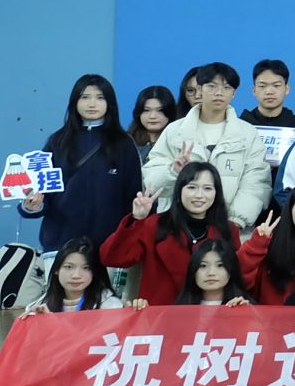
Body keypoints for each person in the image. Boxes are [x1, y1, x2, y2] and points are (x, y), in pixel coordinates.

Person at [140, 61, 272, 232]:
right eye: (212, 86)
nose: (219, 93)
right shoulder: (175, 131)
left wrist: (234, 223)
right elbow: (151, 182)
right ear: (200, 90)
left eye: (226, 87)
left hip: (229, 230)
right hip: (177, 229)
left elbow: (256, 184)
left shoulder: (248, 134)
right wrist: (172, 171)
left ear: (234, 93)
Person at [18, 74, 142, 255]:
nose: (92, 104)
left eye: (100, 98)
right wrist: (32, 206)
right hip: (61, 245)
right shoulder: (57, 141)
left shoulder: (123, 143)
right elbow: (42, 192)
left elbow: (133, 195)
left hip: (109, 247)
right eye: (85, 97)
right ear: (74, 102)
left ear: (110, 103)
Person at [100, 163, 240, 306]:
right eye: (192, 187)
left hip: (211, 313)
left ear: (216, 193)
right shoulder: (155, 225)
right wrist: (137, 219)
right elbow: (112, 257)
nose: (199, 195)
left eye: (207, 188)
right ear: (179, 190)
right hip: (160, 312)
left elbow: (237, 278)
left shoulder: (228, 230)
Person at [240, 59, 295, 179]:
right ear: (254, 90)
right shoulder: (241, 126)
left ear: (287, 89)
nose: (269, 91)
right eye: (262, 86)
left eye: (276, 85)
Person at [23, 239, 129, 314]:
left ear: (95, 272)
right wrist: (43, 322)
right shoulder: (39, 306)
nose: (76, 275)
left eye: (86, 268)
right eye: (69, 267)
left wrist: (53, 323)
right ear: (56, 269)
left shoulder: (111, 307)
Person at [173, 240, 251, 308]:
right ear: (193, 271)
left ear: (231, 270)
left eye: (220, 265)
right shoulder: (179, 309)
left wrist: (247, 313)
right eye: (203, 266)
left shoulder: (243, 305)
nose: (211, 273)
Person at [128, 85, 177, 163]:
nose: (152, 116)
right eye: (146, 110)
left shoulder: (179, 141)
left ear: (170, 112)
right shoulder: (126, 141)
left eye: (160, 110)